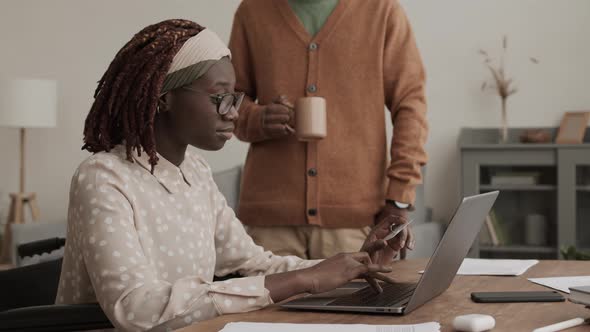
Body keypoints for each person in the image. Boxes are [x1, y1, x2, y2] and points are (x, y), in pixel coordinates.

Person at [56, 19, 402, 332]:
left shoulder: (196, 172)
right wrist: (305, 280)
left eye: (235, 98)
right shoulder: (103, 177)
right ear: (163, 99)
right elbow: (135, 308)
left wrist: (351, 264)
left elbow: (254, 264)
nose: (235, 114)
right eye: (220, 98)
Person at [228, 0, 428, 259]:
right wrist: (257, 118)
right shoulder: (253, 11)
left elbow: (411, 105)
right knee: (267, 302)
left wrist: (399, 197)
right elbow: (228, 96)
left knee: (351, 300)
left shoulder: (382, 11)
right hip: (270, 225)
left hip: (355, 223)